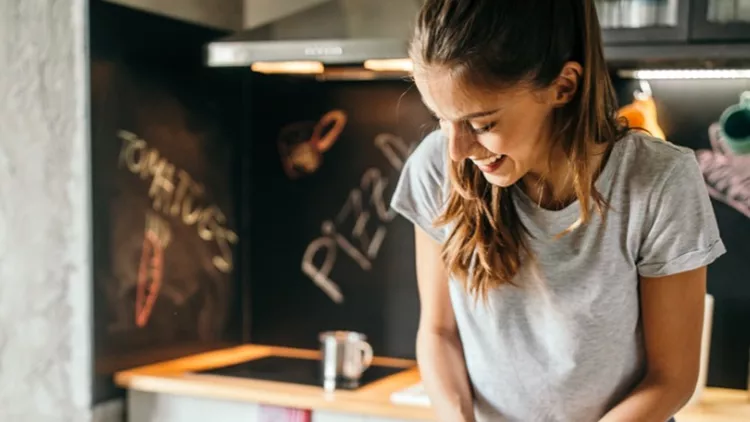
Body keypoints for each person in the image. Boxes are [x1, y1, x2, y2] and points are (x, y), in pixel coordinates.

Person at [389, 1, 726, 421]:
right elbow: (439, 332)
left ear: (563, 86)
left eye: (482, 124)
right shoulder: (436, 168)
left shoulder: (658, 180)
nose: (457, 151)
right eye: (441, 119)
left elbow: (671, 377)